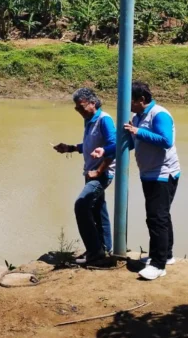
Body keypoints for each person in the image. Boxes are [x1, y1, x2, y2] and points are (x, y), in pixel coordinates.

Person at [124, 81, 181, 281]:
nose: (127, 104)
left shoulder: (159, 114)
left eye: (129, 100)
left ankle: (158, 265)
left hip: (163, 174)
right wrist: (105, 151)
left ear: (141, 100)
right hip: (149, 173)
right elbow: (132, 143)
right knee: (161, 216)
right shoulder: (137, 117)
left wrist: (138, 131)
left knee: (156, 218)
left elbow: (166, 141)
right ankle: (167, 255)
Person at [54, 88, 116, 265]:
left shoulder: (104, 120)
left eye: (81, 107)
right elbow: (90, 144)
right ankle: (104, 249)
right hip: (91, 173)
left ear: (93, 103)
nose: (78, 111)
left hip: (101, 174)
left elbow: (114, 146)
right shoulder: (89, 121)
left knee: (81, 205)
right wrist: (71, 148)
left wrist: (99, 171)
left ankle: (94, 252)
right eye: (76, 108)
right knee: (98, 210)